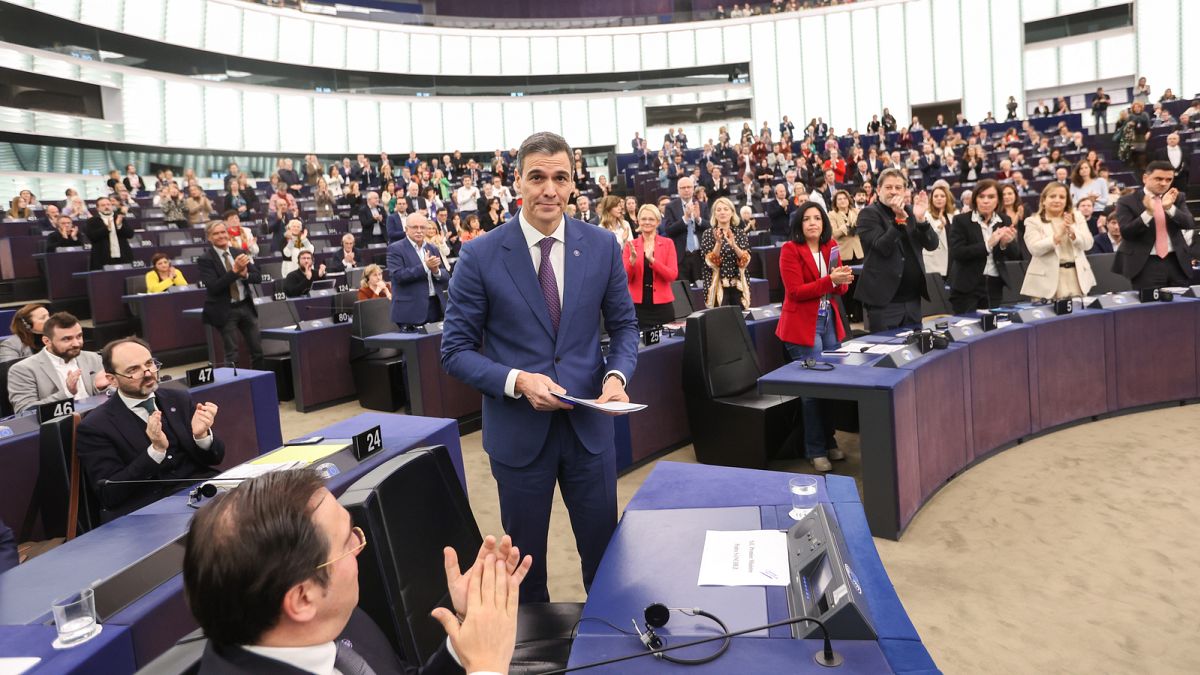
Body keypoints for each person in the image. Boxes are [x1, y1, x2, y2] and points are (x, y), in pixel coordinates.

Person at [440, 131, 638, 603]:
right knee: (525, 573)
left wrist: (616, 376)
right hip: (518, 438)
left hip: (590, 433)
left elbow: (625, 328)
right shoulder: (480, 254)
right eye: (537, 177)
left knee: (605, 561)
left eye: (560, 177)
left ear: (573, 184)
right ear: (518, 183)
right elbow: (455, 350)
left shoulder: (603, 246)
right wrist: (517, 381)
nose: (549, 189)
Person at [183, 468, 529, 675]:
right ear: (302, 598)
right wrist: (486, 667)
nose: (359, 550)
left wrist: (467, 633)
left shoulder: (334, 621)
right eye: (347, 543)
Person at [74, 337, 222, 521]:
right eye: (133, 370)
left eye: (149, 363)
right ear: (112, 380)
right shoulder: (95, 426)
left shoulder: (178, 398)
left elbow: (215, 458)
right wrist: (156, 451)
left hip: (202, 492)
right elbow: (109, 494)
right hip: (151, 508)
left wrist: (201, 436)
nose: (148, 373)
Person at [777, 203, 853, 472]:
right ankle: (815, 449)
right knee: (812, 391)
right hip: (801, 324)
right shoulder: (790, 250)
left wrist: (842, 281)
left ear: (823, 223)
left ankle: (829, 441)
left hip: (828, 320)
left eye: (817, 218)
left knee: (830, 386)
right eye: (806, 219)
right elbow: (796, 291)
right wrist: (830, 280)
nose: (812, 223)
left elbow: (838, 289)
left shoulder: (830, 246)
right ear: (799, 224)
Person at [853, 169, 939, 331]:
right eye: (889, 187)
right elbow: (882, 247)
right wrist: (899, 220)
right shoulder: (868, 214)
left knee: (915, 352)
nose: (894, 191)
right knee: (887, 351)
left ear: (905, 191)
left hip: (913, 300)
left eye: (898, 187)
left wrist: (921, 220)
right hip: (885, 302)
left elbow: (932, 245)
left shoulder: (911, 212)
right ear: (878, 190)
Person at [1115, 161, 1197, 289]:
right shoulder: (1126, 201)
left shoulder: (1177, 197)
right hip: (1145, 263)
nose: (1164, 183)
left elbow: (1189, 223)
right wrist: (1148, 213)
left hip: (1177, 261)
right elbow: (1126, 233)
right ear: (1145, 178)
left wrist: (1169, 208)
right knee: (1150, 306)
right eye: (1158, 178)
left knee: (1182, 305)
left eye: (1168, 179)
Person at [7, 312, 109, 414]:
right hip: (62, 426)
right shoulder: (23, 370)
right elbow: (25, 412)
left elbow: (110, 394)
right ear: (47, 341)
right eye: (67, 339)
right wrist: (67, 393)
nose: (76, 343)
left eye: (79, 336)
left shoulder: (93, 358)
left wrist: (101, 388)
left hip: (98, 419)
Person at [197, 220, 264, 369]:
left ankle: (259, 384)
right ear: (209, 237)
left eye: (223, 232)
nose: (221, 236)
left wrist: (245, 274)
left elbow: (257, 277)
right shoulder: (205, 259)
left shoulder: (238, 252)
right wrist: (234, 271)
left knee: (258, 351)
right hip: (225, 310)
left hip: (246, 306)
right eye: (216, 233)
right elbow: (214, 287)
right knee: (232, 355)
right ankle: (235, 388)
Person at [948, 179, 1022, 312]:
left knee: (993, 328)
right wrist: (988, 245)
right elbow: (957, 252)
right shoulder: (961, 220)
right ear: (975, 199)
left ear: (998, 200)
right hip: (967, 286)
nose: (985, 201)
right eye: (981, 196)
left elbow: (1015, 254)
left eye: (991, 197)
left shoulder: (1005, 220)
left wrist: (1005, 244)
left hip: (994, 285)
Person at [1021, 183, 1096, 301]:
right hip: (1046, 283)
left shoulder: (1077, 217)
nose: (1057, 200)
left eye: (1062, 197)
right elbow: (1034, 249)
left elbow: (1088, 244)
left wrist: (1072, 232)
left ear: (1067, 201)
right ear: (1043, 200)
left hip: (1076, 279)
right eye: (1052, 196)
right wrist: (1057, 235)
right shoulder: (1033, 221)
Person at [388, 212, 450, 329]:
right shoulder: (395, 249)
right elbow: (398, 276)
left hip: (435, 307)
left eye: (422, 227)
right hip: (410, 311)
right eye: (415, 227)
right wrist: (425, 267)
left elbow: (446, 275)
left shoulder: (432, 248)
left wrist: (436, 271)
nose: (419, 230)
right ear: (406, 229)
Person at [623, 204, 678, 329]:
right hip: (637, 307)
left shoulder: (667, 243)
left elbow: (672, 275)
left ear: (658, 222)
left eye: (651, 219)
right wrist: (631, 261)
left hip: (663, 307)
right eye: (643, 219)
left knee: (667, 346)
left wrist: (652, 260)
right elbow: (625, 279)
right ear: (638, 221)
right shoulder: (630, 245)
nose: (647, 222)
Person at [701, 197, 752, 309]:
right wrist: (718, 243)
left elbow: (745, 260)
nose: (722, 212)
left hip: (737, 284)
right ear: (714, 213)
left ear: (732, 212)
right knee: (720, 320)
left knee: (740, 320)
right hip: (717, 285)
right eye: (718, 210)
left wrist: (734, 245)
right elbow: (709, 262)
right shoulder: (708, 234)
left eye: (725, 209)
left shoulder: (739, 233)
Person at [663, 177, 710, 284]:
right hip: (681, 256)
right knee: (684, 291)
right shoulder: (670, 207)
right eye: (683, 188)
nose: (686, 190)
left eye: (689, 187)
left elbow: (710, 227)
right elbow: (669, 230)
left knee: (702, 289)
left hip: (700, 255)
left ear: (693, 189)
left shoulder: (702, 206)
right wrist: (685, 218)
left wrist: (698, 219)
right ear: (678, 190)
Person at [84, 197, 134, 270]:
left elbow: (130, 234)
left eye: (108, 204)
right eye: (103, 205)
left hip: (123, 255)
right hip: (102, 257)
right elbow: (92, 237)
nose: (106, 207)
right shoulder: (92, 221)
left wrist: (119, 226)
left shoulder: (119, 218)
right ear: (97, 208)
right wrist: (106, 229)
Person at [923, 185, 955, 277]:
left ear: (947, 198)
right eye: (936, 196)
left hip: (952, 257)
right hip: (934, 261)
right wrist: (940, 226)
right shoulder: (926, 215)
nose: (939, 199)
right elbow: (926, 238)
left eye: (942, 196)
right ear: (931, 199)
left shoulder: (954, 214)